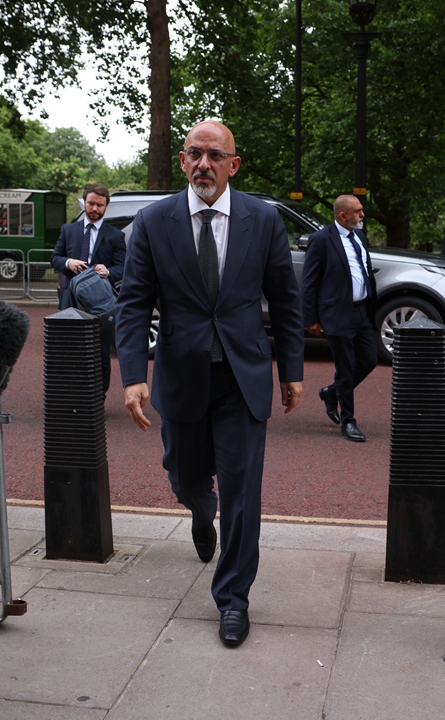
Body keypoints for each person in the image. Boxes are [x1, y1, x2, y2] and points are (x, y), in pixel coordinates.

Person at [114, 120, 304, 648]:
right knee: (184, 475)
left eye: (215, 155)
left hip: (243, 377)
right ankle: (201, 511)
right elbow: (134, 302)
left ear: (233, 165)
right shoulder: (154, 221)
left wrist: (291, 370)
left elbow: (285, 300)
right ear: (182, 160)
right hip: (181, 374)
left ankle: (233, 598)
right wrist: (133, 376)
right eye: (195, 153)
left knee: (243, 492)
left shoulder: (262, 220)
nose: (204, 164)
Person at [301, 194, 377, 443]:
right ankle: (349, 421)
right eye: (357, 211)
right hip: (336, 313)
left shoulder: (359, 237)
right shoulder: (321, 240)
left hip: (361, 311)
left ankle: (331, 393)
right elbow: (309, 282)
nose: (362, 215)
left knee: (369, 360)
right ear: (343, 216)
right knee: (345, 369)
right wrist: (311, 318)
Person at [50, 182, 126, 394]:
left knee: (101, 355)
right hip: (70, 303)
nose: (94, 208)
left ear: (106, 206)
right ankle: (72, 396)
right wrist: (69, 263)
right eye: (91, 203)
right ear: (84, 202)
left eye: (100, 205)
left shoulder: (115, 236)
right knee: (69, 353)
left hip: (101, 305)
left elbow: (124, 267)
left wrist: (108, 271)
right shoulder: (68, 230)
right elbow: (54, 258)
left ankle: (98, 398)